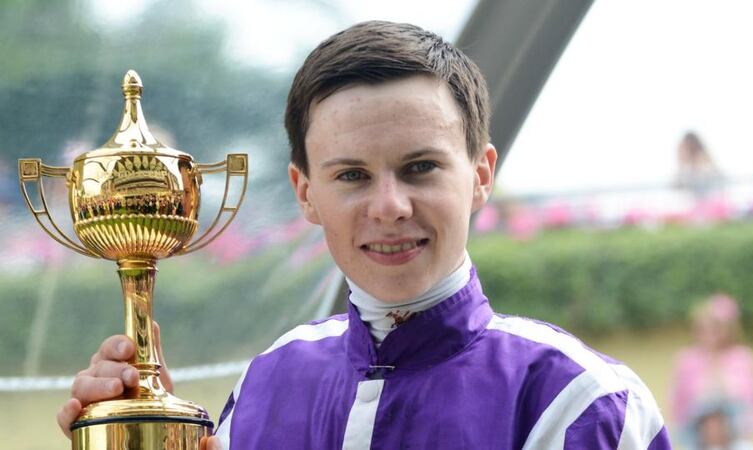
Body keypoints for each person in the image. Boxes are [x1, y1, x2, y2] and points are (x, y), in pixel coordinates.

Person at [57, 21, 671, 449]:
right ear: (306, 193)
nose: (390, 206)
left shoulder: (580, 403)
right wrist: (142, 430)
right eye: (352, 175)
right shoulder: (266, 385)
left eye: (420, 167)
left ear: (481, 175)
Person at [670, 294, 753, 449]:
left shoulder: (742, 358)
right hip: (697, 442)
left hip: (736, 438)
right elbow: (678, 403)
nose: (709, 334)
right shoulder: (686, 360)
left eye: (715, 328)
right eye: (703, 328)